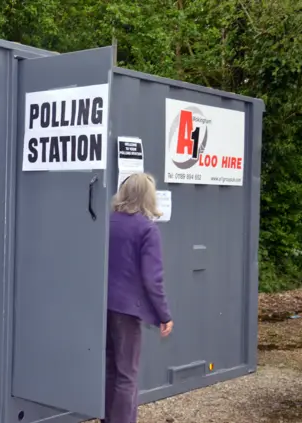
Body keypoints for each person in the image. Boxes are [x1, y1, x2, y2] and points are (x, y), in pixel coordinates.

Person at [103, 172, 173, 423]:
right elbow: (152, 279)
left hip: (102, 307)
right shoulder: (147, 229)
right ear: (148, 197)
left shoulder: (107, 222)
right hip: (127, 310)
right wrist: (164, 315)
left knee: (110, 369)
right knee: (127, 375)